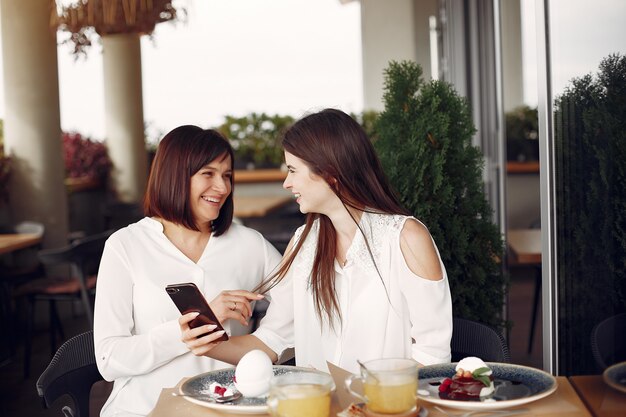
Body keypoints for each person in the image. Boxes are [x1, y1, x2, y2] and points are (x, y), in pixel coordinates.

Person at [180, 109, 452, 374]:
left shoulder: (407, 238)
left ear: (330, 173)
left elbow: (432, 355)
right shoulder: (303, 245)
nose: (286, 183)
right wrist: (208, 343)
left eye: (293, 170)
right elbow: (273, 340)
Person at [94, 125, 282, 417]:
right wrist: (185, 332)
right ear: (175, 175)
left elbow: (300, 303)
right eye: (208, 174)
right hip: (144, 408)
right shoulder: (125, 246)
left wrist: (265, 345)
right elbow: (108, 359)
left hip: (228, 408)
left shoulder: (249, 244)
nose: (222, 188)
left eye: (227, 176)